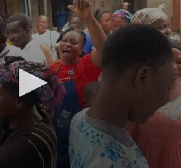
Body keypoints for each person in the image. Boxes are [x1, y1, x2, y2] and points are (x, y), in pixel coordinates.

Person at [69, 23, 173, 168]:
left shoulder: (79, 118)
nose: (166, 98)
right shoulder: (113, 162)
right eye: (166, 87)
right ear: (142, 77)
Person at [49, 0, 106, 167]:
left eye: (73, 43)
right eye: (64, 40)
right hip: (56, 135)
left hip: (81, 133)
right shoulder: (52, 68)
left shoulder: (86, 66)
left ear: (81, 49)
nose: (67, 44)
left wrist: (89, 18)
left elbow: (104, 49)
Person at [127, 40, 181, 168]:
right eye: (166, 61)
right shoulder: (140, 92)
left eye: (178, 61)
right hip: (145, 159)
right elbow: (127, 134)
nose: (173, 66)